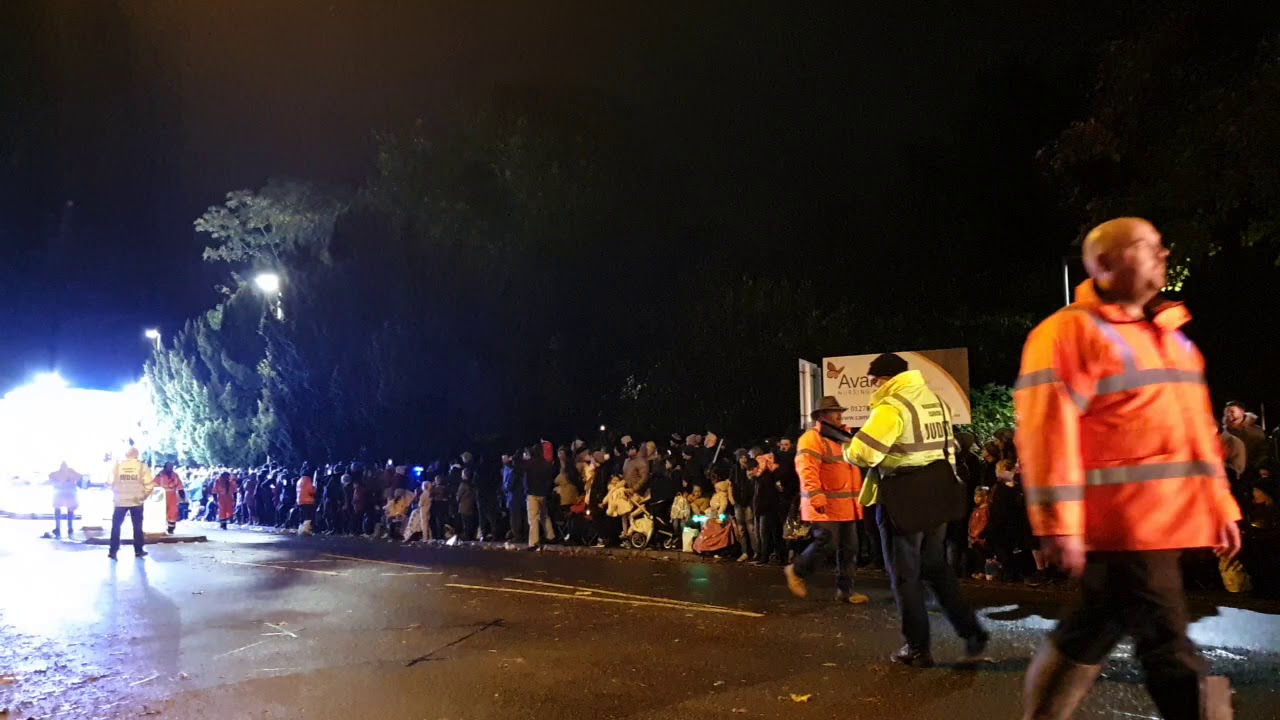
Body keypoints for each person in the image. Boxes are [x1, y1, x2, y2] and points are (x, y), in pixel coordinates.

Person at [1014, 217, 1240, 718]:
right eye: (1146, 246)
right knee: (1170, 648)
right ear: (1103, 263)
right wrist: (1058, 525)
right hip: (1125, 525)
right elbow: (1046, 434)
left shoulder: (1168, 335)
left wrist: (1220, 505)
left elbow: (1197, 433)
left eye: (1161, 245)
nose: (1162, 254)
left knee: (1089, 632)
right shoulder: (1068, 333)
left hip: (1161, 525)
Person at [844, 352, 988, 667]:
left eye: (874, 381)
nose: (873, 386)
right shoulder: (935, 401)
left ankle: (917, 647)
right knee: (936, 568)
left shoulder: (892, 406)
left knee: (905, 576)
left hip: (903, 497)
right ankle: (972, 631)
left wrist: (848, 450)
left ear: (883, 378)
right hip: (936, 493)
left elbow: (864, 453)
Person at [786, 396, 868, 604]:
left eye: (840, 411)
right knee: (827, 544)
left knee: (850, 550)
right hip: (825, 505)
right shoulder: (812, 438)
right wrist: (815, 494)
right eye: (834, 411)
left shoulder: (845, 437)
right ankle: (796, 570)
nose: (839, 415)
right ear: (822, 415)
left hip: (848, 505)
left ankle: (845, 591)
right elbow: (807, 469)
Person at [106, 447, 155, 560]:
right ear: (137, 455)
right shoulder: (142, 467)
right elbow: (150, 485)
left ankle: (113, 551)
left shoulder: (117, 467)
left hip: (120, 502)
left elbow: (109, 483)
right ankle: (138, 550)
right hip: (136, 501)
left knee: (116, 526)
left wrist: (117, 492)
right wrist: (143, 496)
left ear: (126, 455)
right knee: (137, 527)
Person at [523, 446, 558, 549]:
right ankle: (550, 536)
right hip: (543, 493)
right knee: (544, 515)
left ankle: (534, 542)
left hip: (532, 493)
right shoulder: (546, 464)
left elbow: (520, 470)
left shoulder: (529, 463)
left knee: (533, 518)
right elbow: (549, 479)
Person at [729, 449, 758, 563]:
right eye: (741, 457)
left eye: (745, 457)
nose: (744, 459)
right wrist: (731, 498)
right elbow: (730, 484)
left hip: (749, 502)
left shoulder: (750, 468)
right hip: (738, 502)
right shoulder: (734, 470)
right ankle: (744, 551)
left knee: (751, 527)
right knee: (741, 528)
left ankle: (756, 552)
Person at [1224, 401, 1269, 471]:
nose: (1228, 415)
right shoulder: (1223, 431)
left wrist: (1257, 467)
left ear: (1242, 412)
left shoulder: (1256, 431)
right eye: (1226, 412)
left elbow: (1263, 451)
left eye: (1232, 412)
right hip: (1230, 472)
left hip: (1252, 471)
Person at [47, 461, 81, 539]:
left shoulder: (61, 473)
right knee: (67, 510)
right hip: (67, 493)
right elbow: (80, 477)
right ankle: (67, 528)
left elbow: (50, 476)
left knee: (61, 510)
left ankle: (61, 528)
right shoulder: (70, 472)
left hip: (63, 493)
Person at [154, 462, 185, 535]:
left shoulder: (175, 475)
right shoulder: (159, 476)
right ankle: (160, 529)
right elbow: (153, 487)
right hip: (161, 498)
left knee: (173, 513)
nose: (170, 469)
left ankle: (171, 529)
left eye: (171, 467)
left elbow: (180, 487)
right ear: (165, 467)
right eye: (169, 467)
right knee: (160, 513)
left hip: (172, 498)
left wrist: (182, 497)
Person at [501, 454, 526, 543]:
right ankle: (525, 535)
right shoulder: (524, 470)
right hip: (523, 497)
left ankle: (517, 536)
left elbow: (508, 486)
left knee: (515, 518)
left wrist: (504, 488)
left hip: (514, 498)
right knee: (523, 517)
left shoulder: (513, 472)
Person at [456, 469, 478, 540]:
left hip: (464, 505)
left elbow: (459, 495)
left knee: (465, 521)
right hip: (472, 504)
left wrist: (458, 500)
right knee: (471, 521)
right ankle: (472, 535)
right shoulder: (473, 484)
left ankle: (467, 535)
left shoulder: (463, 484)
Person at [295, 468, 316, 534]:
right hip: (308, 501)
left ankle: (301, 529)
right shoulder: (308, 480)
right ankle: (306, 530)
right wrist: (315, 489)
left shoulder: (299, 480)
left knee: (303, 516)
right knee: (308, 516)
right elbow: (311, 491)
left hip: (300, 501)